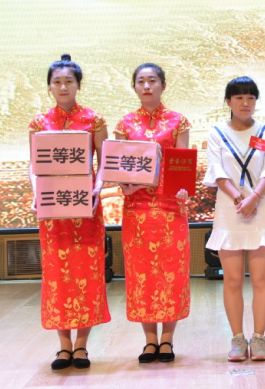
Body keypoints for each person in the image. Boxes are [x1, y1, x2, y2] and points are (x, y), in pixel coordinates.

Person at [28, 54, 111, 370]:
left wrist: (97, 189)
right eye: (57, 82)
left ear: (78, 85)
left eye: (68, 82)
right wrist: (37, 194)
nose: (63, 87)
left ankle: (82, 346)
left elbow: (105, 161)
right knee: (57, 276)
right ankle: (63, 346)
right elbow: (34, 164)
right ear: (49, 86)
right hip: (53, 210)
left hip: (85, 208)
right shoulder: (39, 122)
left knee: (86, 274)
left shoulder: (94, 120)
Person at [113, 63, 191, 363]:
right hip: (137, 210)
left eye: (153, 81)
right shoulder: (125, 124)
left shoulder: (177, 121)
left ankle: (167, 339)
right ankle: (149, 340)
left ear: (163, 85)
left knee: (171, 274)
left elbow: (181, 164)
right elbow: (120, 169)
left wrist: (183, 188)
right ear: (134, 86)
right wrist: (125, 186)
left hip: (170, 208)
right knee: (142, 274)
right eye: (141, 81)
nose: (147, 86)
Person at [204, 77, 265, 362]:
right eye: (238, 97)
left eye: (250, 97)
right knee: (233, 279)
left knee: (261, 279)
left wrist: (254, 198)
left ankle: (259, 339)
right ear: (228, 101)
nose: (245, 103)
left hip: (261, 210)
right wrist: (240, 199)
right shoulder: (217, 132)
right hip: (230, 210)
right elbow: (217, 171)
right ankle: (237, 339)